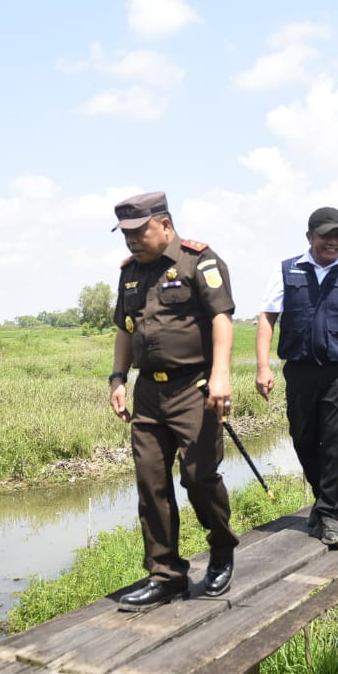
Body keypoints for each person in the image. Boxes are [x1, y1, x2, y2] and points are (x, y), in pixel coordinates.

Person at [107, 191, 239, 613]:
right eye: (124, 233)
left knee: (199, 477)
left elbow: (221, 317)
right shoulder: (129, 274)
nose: (130, 241)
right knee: (151, 482)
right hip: (148, 393)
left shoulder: (200, 261)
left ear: (164, 224)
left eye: (138, 231)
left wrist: (221, 375)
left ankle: (220, 546)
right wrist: (117, 379)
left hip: (194, 388)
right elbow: (126, 330)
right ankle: (166, 575)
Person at [255, 206, 338, 549]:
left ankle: (328, 513)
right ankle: (322, 499)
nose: (333, 242)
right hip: (299, 369)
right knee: (302, 435)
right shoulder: (288, 270)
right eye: (325, 235)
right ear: (309, 237)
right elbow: (267, 317)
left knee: (335, 439)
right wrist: (263, 367)